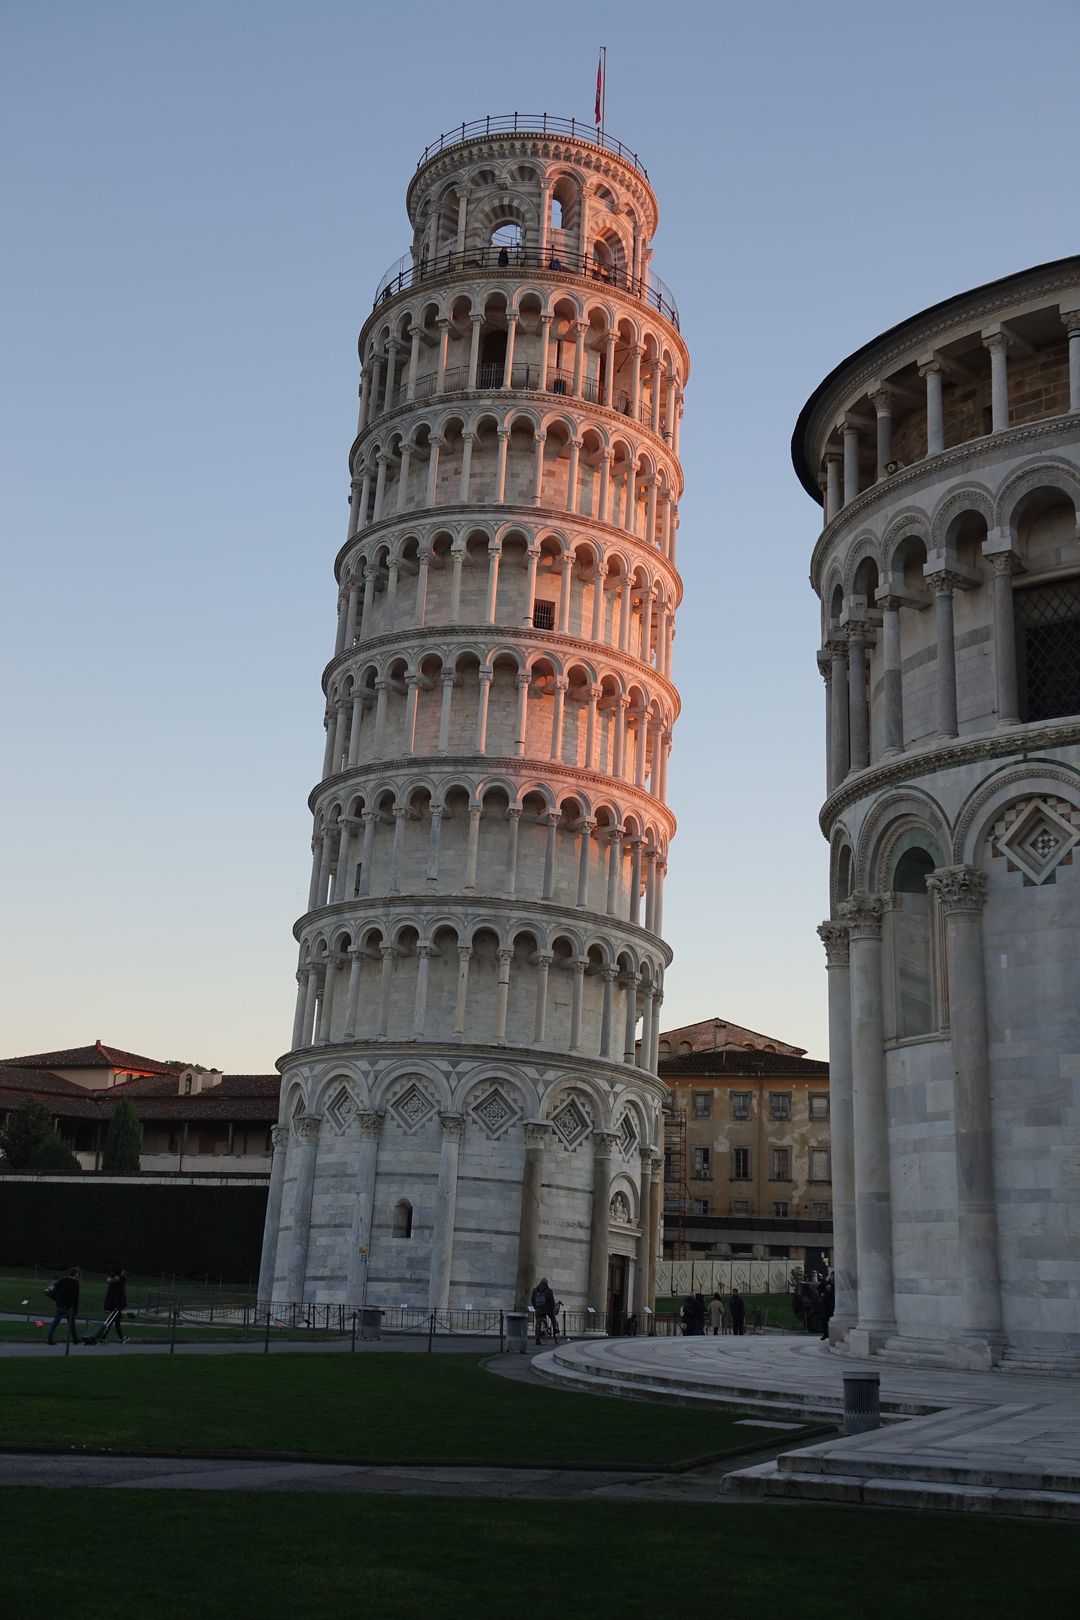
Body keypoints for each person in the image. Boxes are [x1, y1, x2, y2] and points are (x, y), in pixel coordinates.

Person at [46, 1267, 80, 1345]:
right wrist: (75, 1310)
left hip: (60, 1305)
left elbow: (54, 1290)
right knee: (72, 1324)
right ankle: (75, 1340)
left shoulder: (62, 1280)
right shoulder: (75, 1283)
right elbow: (75, 1298)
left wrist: (57, 1299)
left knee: (55, 1323)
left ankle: (49, 1338)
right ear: (75, 1274)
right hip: (69, 1307)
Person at [101, 1268, 128, 1343]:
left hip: (114, 1304)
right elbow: (119, 1294)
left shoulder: (117, 1280)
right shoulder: (118, 1281)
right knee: (110, 1321)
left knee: (117, 1321)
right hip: (115, 1305)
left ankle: (121, 1338)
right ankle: (102, 1337)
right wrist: (119, 1305)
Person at [530, 1277, 558, 1346]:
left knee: (538, 1324)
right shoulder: (549, 1290)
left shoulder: (535, 1290)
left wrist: (535, 1307)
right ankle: (555, 1330)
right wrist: (553, 1309)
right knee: (553, 1318)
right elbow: (552, 1301)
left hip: (538, 1310)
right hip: (547, 1310)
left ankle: (537, 1339)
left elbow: (532, 1300)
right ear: (547, 1283)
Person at [820, 1273, 835, 1341]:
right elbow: (819, 1288)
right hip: (825, 1303)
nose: (831, 1278)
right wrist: (825, 1282)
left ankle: (831, 1334)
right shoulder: (826, 1282)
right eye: (831, 1276)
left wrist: (830, 1289)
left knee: (830, 1318)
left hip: (832, 1304)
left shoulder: (834, 1285)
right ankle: (825, 1334)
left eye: (833, 1276)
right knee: (823, 1318)